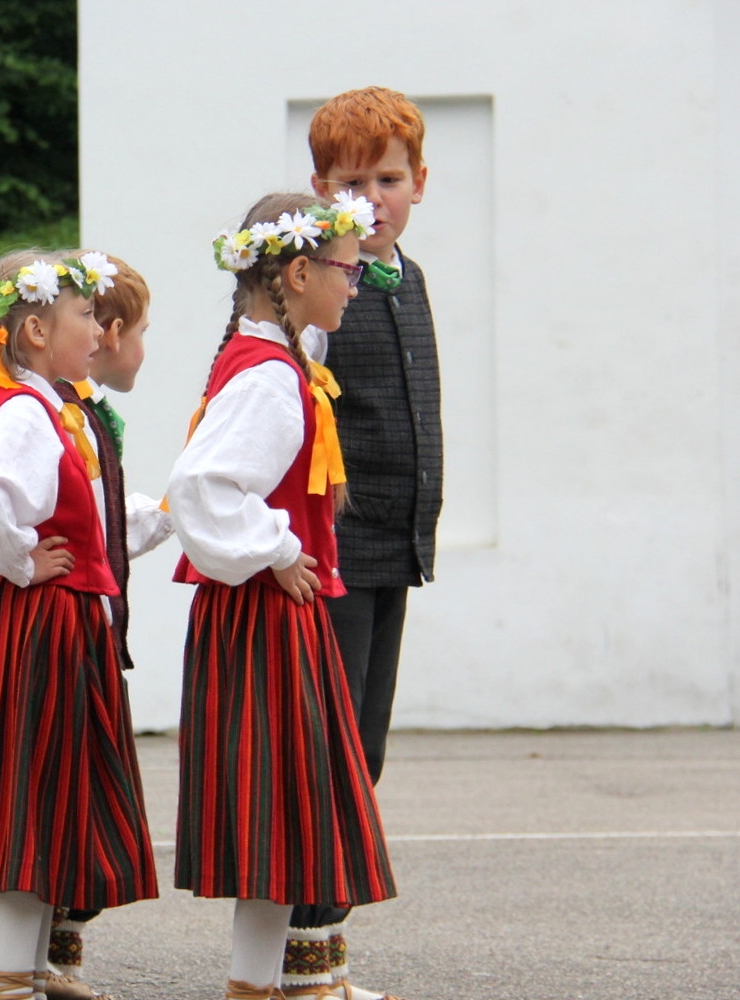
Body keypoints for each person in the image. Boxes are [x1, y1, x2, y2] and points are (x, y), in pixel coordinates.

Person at [167, 193, 397, 1000]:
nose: (356, 283)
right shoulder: (267, 377)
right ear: (297, 273)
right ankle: (254, 986)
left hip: (262, 616)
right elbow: (201, 483)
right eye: (344, 269)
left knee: (282, 826)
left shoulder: (271, 355)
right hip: (263, 620)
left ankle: (256, 987)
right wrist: (277, 547)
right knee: (277, 816)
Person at [0, 251, 158, 1000]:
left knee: (44, 800)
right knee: (28, 797)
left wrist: (159, 521)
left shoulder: (56, 409)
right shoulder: (28, 412)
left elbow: (87, 521)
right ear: (35, 329)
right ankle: (13, 977)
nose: (100, 329)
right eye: (85, 316)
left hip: (60, 624)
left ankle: (26, 971)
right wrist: (25, 562)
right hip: (37, 626)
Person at [284, 85, 441, 1000]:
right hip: (338, 551)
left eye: (390, 178)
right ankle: (302, 956)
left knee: (365, 750)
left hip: (398, 543)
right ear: (322, 189)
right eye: (355, 182)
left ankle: (318, 951)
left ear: (420, 183)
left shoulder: (408, 278)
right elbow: (288, 403)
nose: (375, 196)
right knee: (332, 750)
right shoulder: (319, 289)